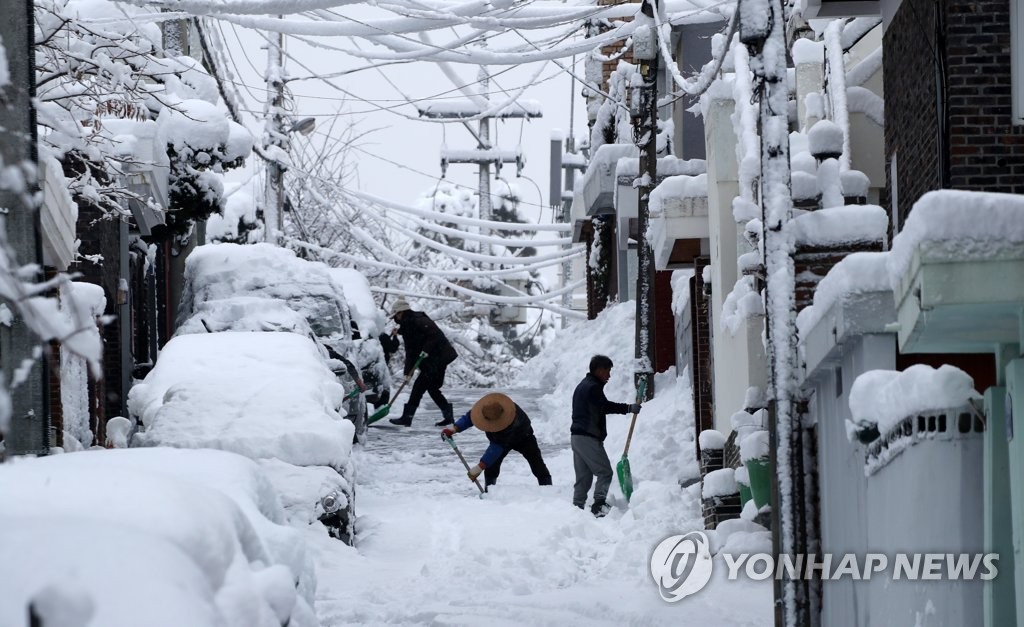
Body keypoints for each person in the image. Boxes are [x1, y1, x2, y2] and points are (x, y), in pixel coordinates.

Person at [570, 355, 641, 517]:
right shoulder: (592, 387)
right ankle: (598, 504)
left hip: (577, 437)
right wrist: (628, 408)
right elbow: (604, 407)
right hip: (587, 437)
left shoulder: (583, 385)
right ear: (599, 370)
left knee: (584, 477)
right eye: (608, 371)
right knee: (605, 472)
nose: (609, 375)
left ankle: (576, 509)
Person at [442, 392, 551, 489]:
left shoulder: (512, 419)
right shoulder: (487, 408)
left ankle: (547, 487)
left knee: (536, 463)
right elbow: (470, 417)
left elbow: (496, 448)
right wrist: (453, 429)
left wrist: (479, 468)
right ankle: (490, 490)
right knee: (492, 467)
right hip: (500, 440)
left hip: (524, 437)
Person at [386, 299, 458, 427]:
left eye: (396, 315)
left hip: (438, 358)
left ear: (402, 312)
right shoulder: (408, 328)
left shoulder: (419, 320)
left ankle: (407, 418)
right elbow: (411, 352)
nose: (395, 318)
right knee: (432, 388)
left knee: (419, 387)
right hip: (433, 360)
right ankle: (448, 416)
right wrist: (407, 373)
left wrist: (425, 351)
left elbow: (434, 335)